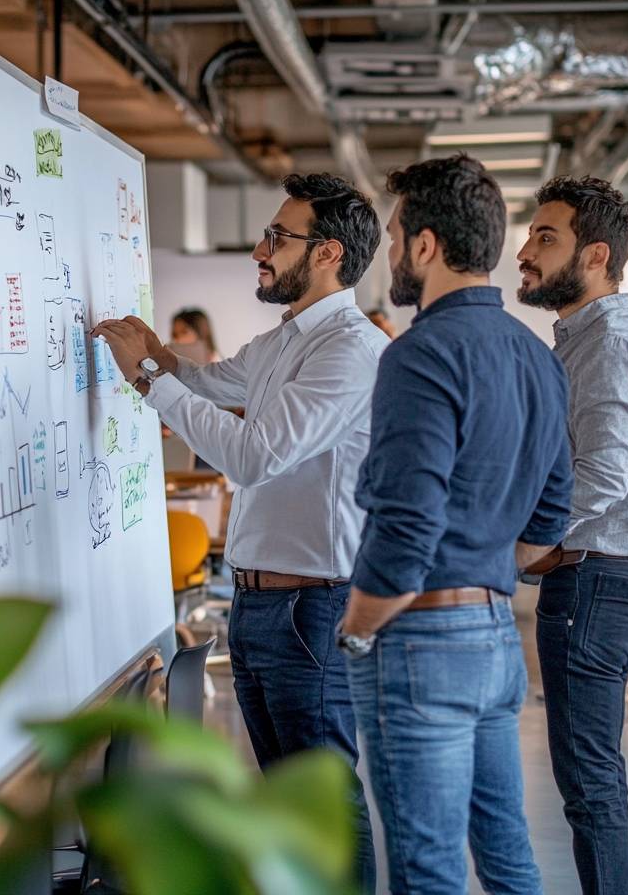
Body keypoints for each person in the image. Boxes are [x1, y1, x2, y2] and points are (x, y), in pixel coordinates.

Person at [94, 172, 387, 890]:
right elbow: (214, 383)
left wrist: (149, 382)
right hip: (261, 603)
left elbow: (254, 455)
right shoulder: (284, 340)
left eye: (279, 237)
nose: (261, 248)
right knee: (288, 800)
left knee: (323, 797)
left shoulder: (349, 351)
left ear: (327, 255)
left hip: (310, 608)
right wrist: (160, 358)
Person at [338, 154, 573, 894]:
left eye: (396, 233)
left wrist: (356, 627)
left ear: (427, 245)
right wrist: (484, 564)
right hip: (497, 637)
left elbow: (404, 531)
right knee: (508, 861)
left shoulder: (419, 355)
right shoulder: (538, 358)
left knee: (425, 869)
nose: (392, 252)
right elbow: (550, 522)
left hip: (418, 643)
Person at [517, 175, 628, 895]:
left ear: (596, 256)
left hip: (597, 582)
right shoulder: (585, 340)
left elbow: (600, 479)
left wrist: (522, 550)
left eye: (545, 237)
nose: (526, 249)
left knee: (590, 788)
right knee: (590, 787)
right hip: (595, 581)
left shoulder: (607, 343)